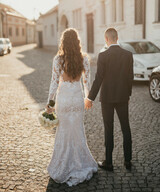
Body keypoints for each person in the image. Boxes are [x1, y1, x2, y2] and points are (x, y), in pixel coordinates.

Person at [46, 28, 98, 186]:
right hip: (77, 100)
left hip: (64, 100)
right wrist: (88, 98)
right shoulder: (84, 59)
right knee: (77, 132)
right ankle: (80, 163)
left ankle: (63, 165)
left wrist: (50, 102)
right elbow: (86, 82)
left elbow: (54, 83)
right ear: (77, 42)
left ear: (63, 42)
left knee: (63, 132)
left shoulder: (58, 60)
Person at [85, 27, 133, 171]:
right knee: (126, 128)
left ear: (106, 39)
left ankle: (109, 162)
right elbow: (130, 77)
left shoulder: (103, 55)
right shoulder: (128, 54)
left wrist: (90, 98)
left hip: (107, 98)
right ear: (117, 38)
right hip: (123, 97)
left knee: (109, 129)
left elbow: (98, 78)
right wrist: (127, 94)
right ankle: (128, 161)